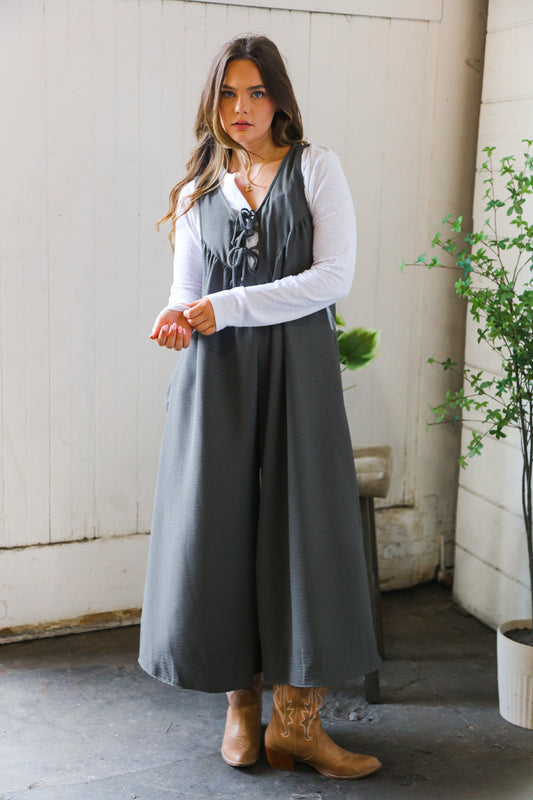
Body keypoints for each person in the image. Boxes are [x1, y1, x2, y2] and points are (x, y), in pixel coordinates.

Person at [138, 34, 381, 780]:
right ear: (211, 102)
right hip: (215, 380)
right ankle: (241, 709)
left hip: (297, 376)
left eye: (255, 92)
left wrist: (228, 305)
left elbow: (333, 277)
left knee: (305, 529)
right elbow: (188, 289)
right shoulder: (197, 190)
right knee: (217, 531)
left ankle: (298, 724)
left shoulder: (315, 168)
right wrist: (176, 315)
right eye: (226, 94)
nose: (240, 108)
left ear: (278, 98)